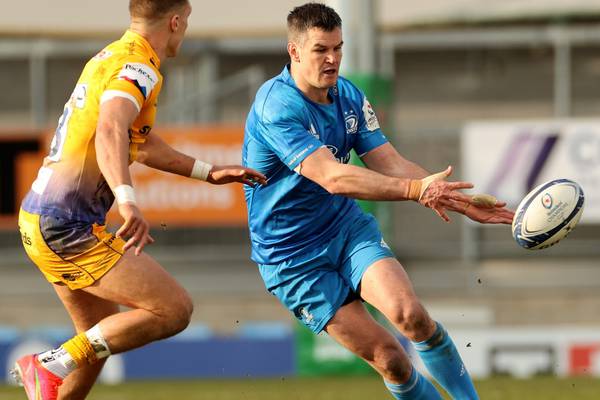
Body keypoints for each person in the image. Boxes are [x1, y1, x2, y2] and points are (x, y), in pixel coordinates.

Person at [243, 3, 513, 400]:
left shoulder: (348, 94)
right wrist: (416, 191)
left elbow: (390, 162)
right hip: (292, 258)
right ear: (294, 51)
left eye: (338, 48)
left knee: (411, 316)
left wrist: (460, 201)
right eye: (321, 49)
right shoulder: (276, 106)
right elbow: (333, 177)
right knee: (392, 360)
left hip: (344, 229)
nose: (332, 58)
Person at [11, 1, 267, 399]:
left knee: (94, 343)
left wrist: (208, 172)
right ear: (176, 21)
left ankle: (55, 367)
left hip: (43, 218)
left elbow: (138, 143)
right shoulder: (139, 66)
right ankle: (48, 362)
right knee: (173, 309)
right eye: (188, 22)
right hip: (65, 224)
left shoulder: (111, 55)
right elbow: (111, 127)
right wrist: (128, 201)